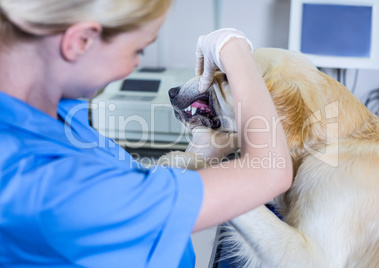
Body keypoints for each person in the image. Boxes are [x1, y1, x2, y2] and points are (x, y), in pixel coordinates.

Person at [0, 0, 292, 267]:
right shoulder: (48, 185)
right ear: (80, 41)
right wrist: (234, 49)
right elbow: (271, 171)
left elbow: (134, 185)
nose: (137, 64)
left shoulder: (48, 105)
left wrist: (199, 154)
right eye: (137, 50)